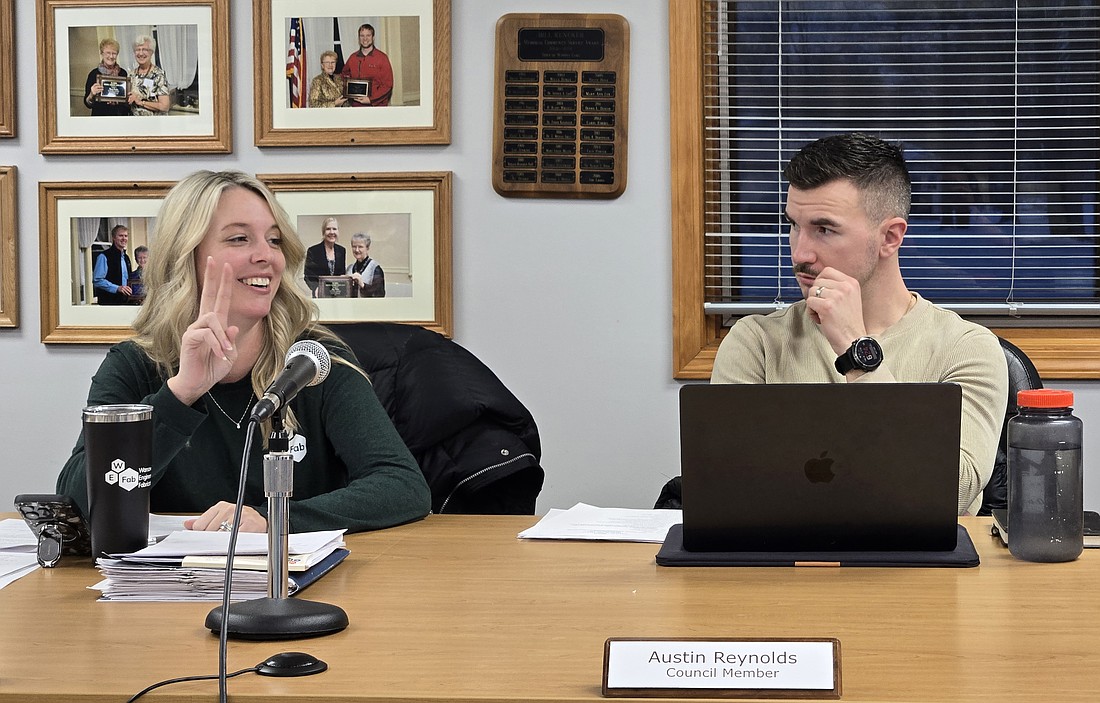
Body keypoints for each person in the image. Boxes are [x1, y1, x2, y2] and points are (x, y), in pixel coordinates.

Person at [57, 170, 431, 533]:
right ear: (185, 254)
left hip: (294, 584)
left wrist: (273, 520)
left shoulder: (311, 360)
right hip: (162, 590)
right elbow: (78, 503)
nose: (265, 256)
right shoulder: (134, 365)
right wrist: (181, 393)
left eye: (273, 240)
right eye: (238, 239)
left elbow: (402, 486)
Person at [711, 133, 1008, 516]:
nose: (799, 253)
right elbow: (725, 492)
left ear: (890, 237)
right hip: (783, 565)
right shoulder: (756, 342)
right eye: (793, 225)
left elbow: (954, 495)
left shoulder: (966, 348)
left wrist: (857, 351)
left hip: (919, 569)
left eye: (824, 229)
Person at [340, 23, 394, 107]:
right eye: (362, 36)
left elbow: (388, 85)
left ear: (373, 37)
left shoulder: (382, 58)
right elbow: (344, 75)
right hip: (356, 105)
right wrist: (350, 89)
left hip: (377, 106)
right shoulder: (352, 58)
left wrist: (371, 99)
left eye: (368, 35)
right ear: (359, 38)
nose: (365, 39)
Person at [83, 38, 130, 117]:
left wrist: (121, 101)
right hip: (101, 117)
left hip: (120, 117)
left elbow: (126, 101)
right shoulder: (93, 74)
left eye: (114, 53)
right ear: (102, 53)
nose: (111, 56)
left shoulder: (123, 73)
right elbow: (88, 104)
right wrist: (91, 94)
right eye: (108, 53)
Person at [128, 35, 170, 116]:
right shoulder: (131, 74)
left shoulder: (159, 75)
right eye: (137, 50)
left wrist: (141, 102)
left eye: (145, 49)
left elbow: (165, 106)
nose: (140, 53)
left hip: (154, 124)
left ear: (151, 52)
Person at [303, 216, 346, 294]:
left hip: (337, 293)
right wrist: (315, 288)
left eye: (334, 229)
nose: (332, 232)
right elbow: (308, 276)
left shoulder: (342, 250)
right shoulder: (313, 251)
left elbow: (342, 274)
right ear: (323, 232)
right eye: (328, 229)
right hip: (320, 293)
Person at [93, 225, 133, 305]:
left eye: (126, 236)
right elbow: (97, 280)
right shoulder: (104, 256)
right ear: (114, 238)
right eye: (120, 236)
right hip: (109, 303)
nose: (124, 238)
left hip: (125, 302)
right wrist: (117, 288)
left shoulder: (126, 258)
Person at [348, 232, 385, 297]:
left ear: (367, 248)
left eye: (360, 247)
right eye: (354, 246)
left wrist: (362, 284)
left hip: (368, 306)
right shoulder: (349, 268)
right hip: (351, 306)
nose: (357, 250)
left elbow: (379, 295)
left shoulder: (375, 268)